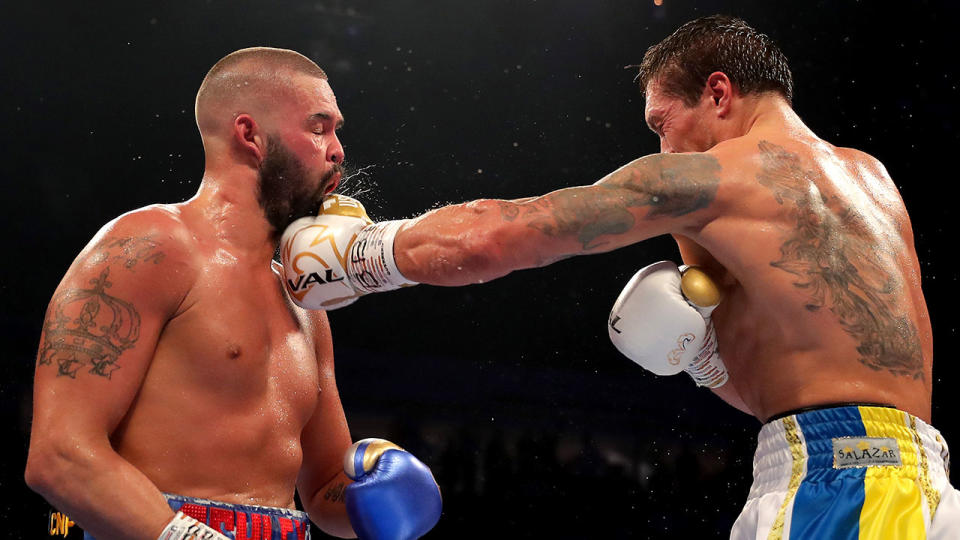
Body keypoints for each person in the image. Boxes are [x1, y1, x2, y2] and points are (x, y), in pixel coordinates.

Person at [283, 16, 959, 538]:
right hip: (911, 479)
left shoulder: (715, 179)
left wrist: (363, 254)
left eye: (664, 124)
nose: (661, 149)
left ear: (718, 92)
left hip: (840, 484)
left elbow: (508, 233)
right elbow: (816, 386)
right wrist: (703, 360)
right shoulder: (872, 178)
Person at [25, 47, 441, 540]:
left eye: (337, 131)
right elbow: (60, 456)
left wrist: (375, 492)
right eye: (318, 126)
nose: (337, 150)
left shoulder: (306, 302)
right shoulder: (148, 247)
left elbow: (324, 485)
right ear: (250, 135)